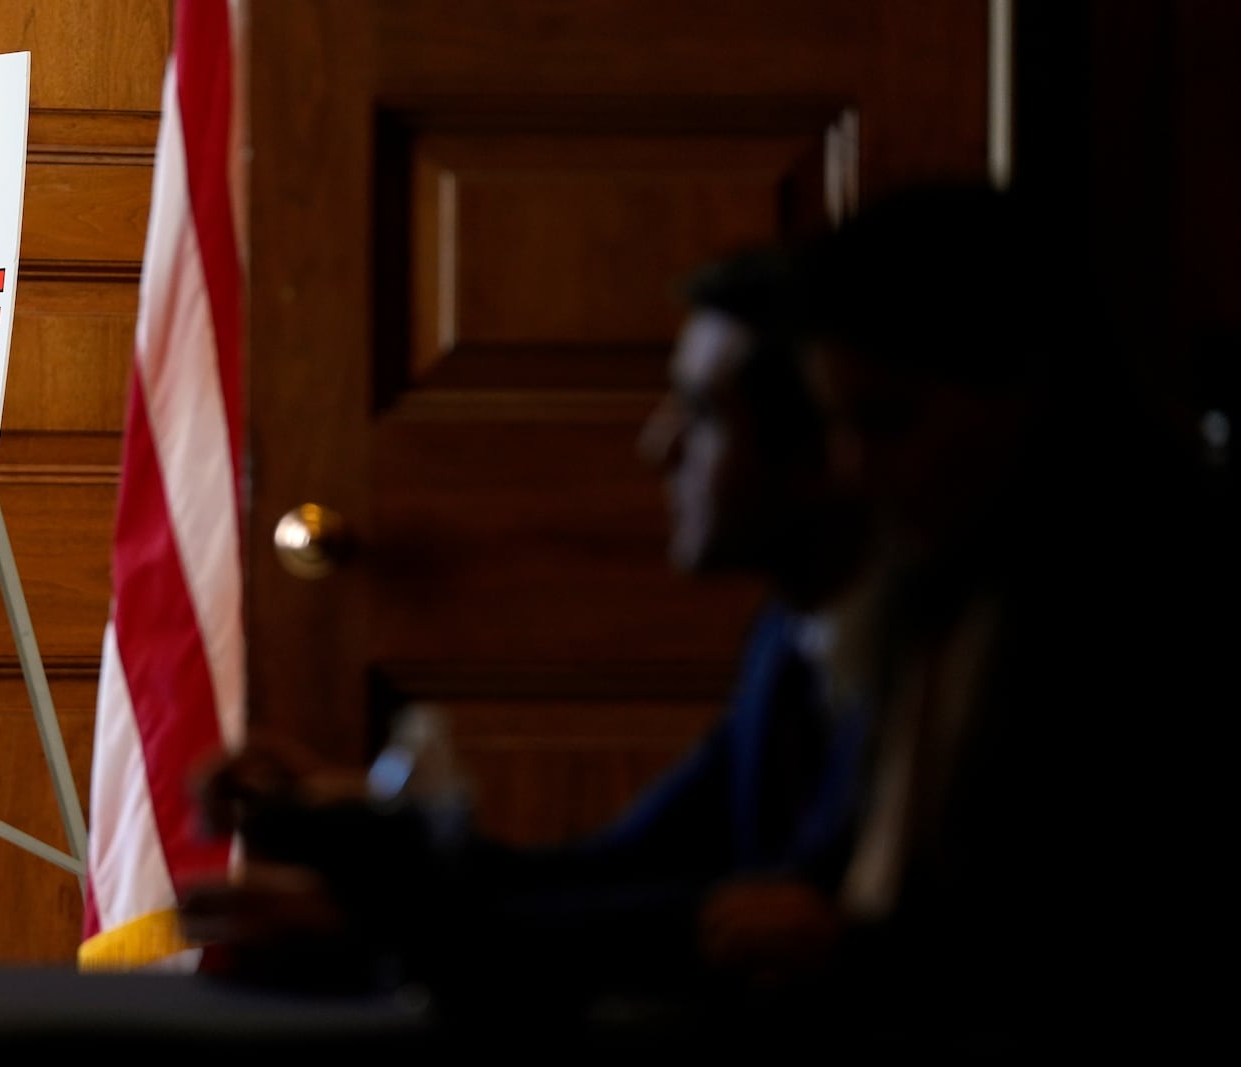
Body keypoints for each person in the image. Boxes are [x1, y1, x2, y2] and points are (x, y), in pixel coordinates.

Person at [179, 244, 877, 1027]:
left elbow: (743, 927)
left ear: (831, 448)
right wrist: (351, 834)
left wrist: (388, 920)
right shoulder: (791, 634)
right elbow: (623, 866)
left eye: (704, 413)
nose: (659, 444)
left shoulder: (936, 662)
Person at [793, 180, 1238, 1045]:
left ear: (1027, 385)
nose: (850, 470)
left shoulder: (1158, 605)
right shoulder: (929, 585)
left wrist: (846, 948)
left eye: (889, 421)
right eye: (836, 425)